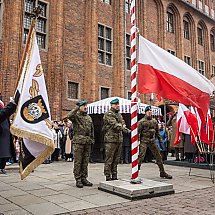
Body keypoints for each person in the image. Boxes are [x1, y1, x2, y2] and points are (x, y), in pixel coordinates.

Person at [138, 105, 172, 179]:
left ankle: (162, 172)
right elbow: (138, 132)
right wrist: (138, 141)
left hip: (152, 141)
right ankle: (136, 171)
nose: (149, 112)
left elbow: (157, 132)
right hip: (144, 141)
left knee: (158, 157)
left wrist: (160, 141)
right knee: (141, 156)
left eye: (150, 111)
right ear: (145, 112)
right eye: (148, 111)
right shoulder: (141, 122)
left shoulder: (154, 121)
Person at [67, 100, 94, 188]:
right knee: (78, 161)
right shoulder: (76, 116)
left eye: (86, 105)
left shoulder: (88, 117)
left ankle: (84, 178)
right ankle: (78, 179)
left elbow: (91, 129)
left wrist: (92, 139)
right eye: (83, 106)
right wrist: (77, 107)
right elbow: (69, 116)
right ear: (80, 107)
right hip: (78, 141)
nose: (85, 107)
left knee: (85, 161)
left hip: (87, 141)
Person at [103, 98, 130, 181]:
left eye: (118, 104)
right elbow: (115, 125)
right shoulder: (108, 114)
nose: (118, 105)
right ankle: (108, 175)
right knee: (109, 159)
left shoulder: (119, 114)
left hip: (119, 139)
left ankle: (114, 174)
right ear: (111, 105)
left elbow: (123, 123)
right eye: (116, 104)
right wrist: (127, 130)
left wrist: (123, 127)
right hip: (111, 140)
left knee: (116, 159)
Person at [0, 96, 18, 174]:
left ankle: (2, 167)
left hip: (4, 133)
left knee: (4, 151)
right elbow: (1, 115)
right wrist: (12, 105)